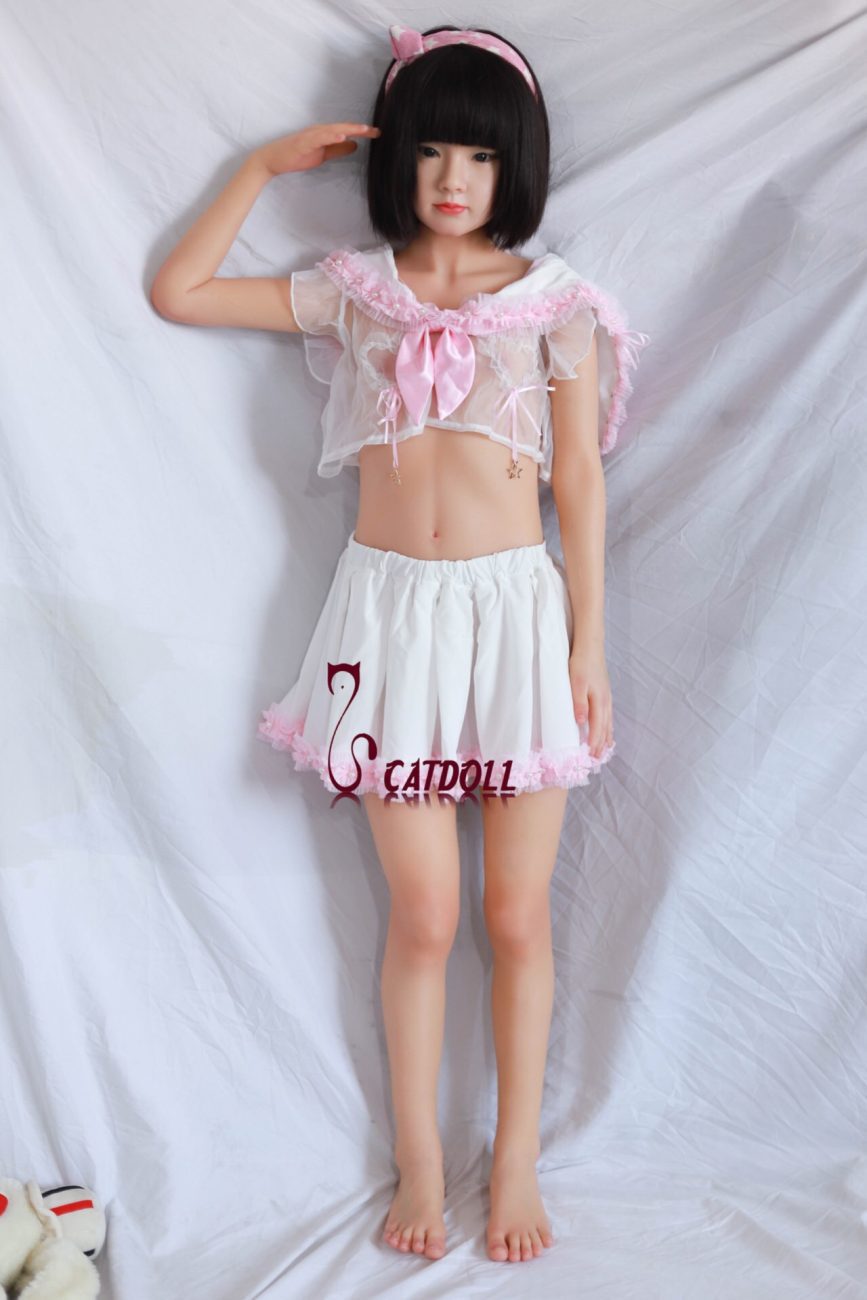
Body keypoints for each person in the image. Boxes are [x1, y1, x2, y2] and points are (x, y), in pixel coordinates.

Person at [149, 21, 649, 1266]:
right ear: (397, 158)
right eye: (430, 149)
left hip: (515, 620)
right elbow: (179, 292)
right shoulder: (355, 292)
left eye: (479, 156)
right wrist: (260, 168)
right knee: (422, 913)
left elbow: (578, 481)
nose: (452, 178)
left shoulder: (556, 304)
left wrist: (589, 644)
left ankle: (515, 1156)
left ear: (513, 167)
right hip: (389, 624)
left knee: (516, 913)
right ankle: (422, 1158)